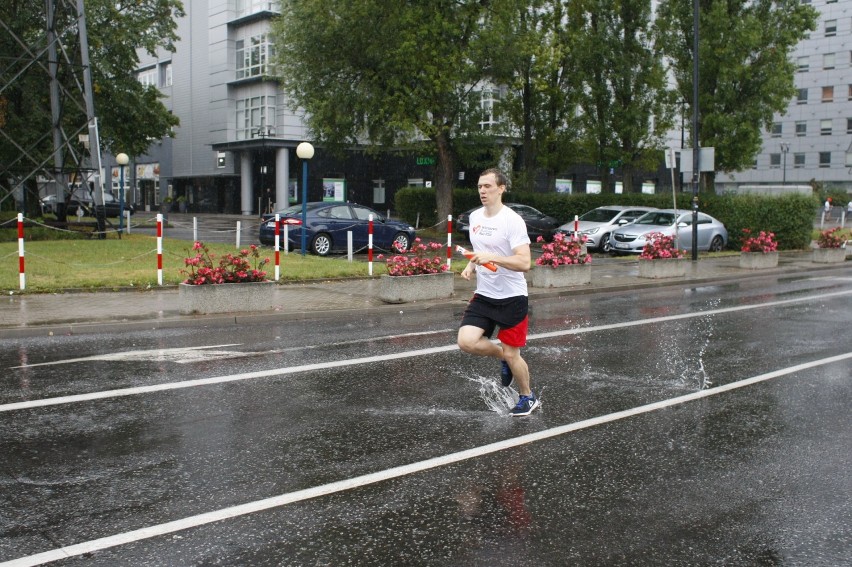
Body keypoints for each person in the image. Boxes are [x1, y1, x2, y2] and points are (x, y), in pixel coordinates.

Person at [457, 167, 540, 417]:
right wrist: (471, 264)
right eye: (480, 186)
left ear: (501, 188)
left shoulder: (512, 220)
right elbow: (479, 248)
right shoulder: (475, 218)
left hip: (512, 298)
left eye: (488, 186)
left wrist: (493, 258)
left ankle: (528, 396)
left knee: (515, 354)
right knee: (466, 341)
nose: (482, 191)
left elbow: (524, 263)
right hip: (485, 294)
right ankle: (502, 356)